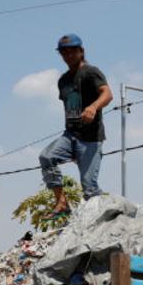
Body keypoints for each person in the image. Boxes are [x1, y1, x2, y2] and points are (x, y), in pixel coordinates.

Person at [39, 33, 114, 216]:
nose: (69, 56)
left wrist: (94, 106)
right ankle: (62, 203)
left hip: (90, 139)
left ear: (81, 52)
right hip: (70, 135)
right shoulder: (63, 80)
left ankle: (101, 219)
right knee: (47, 157)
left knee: (89, 188)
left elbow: (107, 94)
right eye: (64, 52)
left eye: (73, 51)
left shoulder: (90, 72)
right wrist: (70, 148)